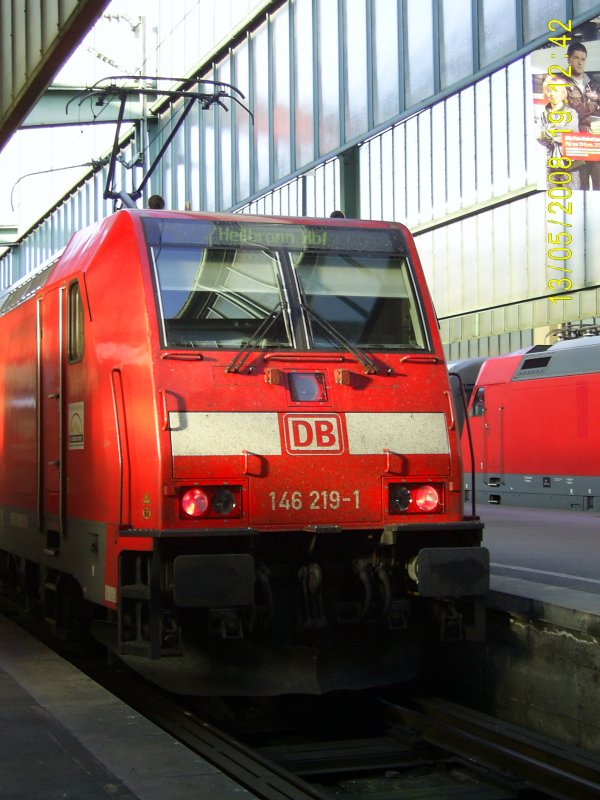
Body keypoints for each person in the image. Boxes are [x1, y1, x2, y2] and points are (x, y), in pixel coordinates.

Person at [565, 42, 600, 190]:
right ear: (568, 59)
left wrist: (584, 109)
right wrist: (591, 106)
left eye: (583, 59)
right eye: (576, 58)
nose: (580, 62)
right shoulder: (562, 83)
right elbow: (571, 111)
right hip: (577, 142)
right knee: (582, 186)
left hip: (595, 140)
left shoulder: (593, 84)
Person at [537, 76, 580, 189]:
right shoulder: (543, 115)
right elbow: (539, 138)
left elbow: (569, 135)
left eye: (555, 90)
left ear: (562, 93)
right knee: (553, 199)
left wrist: (548, 131)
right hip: (551, 163)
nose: (552, 94)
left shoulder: (571, 113)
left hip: (569, 163)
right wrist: (556, 128)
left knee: (572, 198)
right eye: (549, 90)